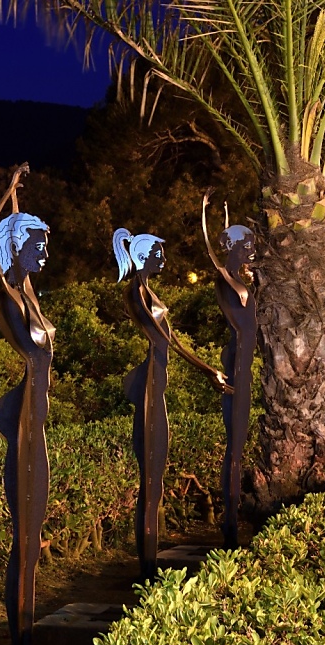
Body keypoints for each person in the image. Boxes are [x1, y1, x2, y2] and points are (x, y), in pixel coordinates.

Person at [113, 227, 231, 578]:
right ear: (145, 256)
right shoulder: (135, 292)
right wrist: (209, 370)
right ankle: (146, 568)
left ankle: (150, 565)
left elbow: (175, 340)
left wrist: (209, 370)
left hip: (158, 385)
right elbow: (166, 341)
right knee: (150, 482)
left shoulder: (149, 290)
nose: (165, 259)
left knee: (157, 482)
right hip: (148, 385)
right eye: (160, 254)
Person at [0, 165, 53, 645]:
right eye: (38, 243)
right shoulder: (9, 296)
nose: (45, 252)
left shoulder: (30, 295)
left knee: (34, 539)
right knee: (22, 542)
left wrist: (17, 202)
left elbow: (12, 241)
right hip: (22, 425)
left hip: (40, 427)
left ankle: (26, 642)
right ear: (17, 248)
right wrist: (8, 193)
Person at [202, 194, 256, 549]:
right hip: (235, 363)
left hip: (247, 366)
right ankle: (230, 522)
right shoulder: (223, 276)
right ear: (233, 246)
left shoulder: (243, 276)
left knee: (240, 445)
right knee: (233, 449)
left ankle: (232, 520)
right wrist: (206, 210)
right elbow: (209, 246)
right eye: (247, 244)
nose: (253, 249)